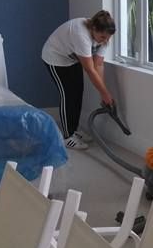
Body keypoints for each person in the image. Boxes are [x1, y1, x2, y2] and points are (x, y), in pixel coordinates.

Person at [42, 10, 116, 150]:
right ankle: (67, 136)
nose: (106, 41)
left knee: (78, 92)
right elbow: (89, 69)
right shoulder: (81, 35)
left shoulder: (104, 37)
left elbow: (98, 64)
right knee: (68, 94)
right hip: (55, 57)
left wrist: (103, 93)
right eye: (102, 37)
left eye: (108, 38)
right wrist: (106, 95)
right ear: (94, 28)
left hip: (71, 58)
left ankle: (74, 130)